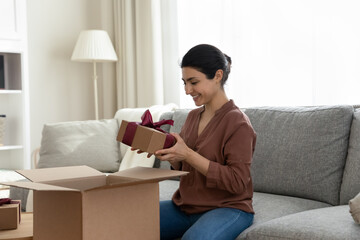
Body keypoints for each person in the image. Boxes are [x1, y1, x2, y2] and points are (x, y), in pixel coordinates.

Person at [153, 44, 257, 240]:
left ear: (218, 76)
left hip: (227, 208)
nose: (187, 90)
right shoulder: (193, 117)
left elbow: (237, 182)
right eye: (184, 82)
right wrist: (169, 154)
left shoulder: (238, 123)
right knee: (126, 220)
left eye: (193, 82)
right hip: (185, 207)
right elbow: (184, 168)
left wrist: (189, 154)